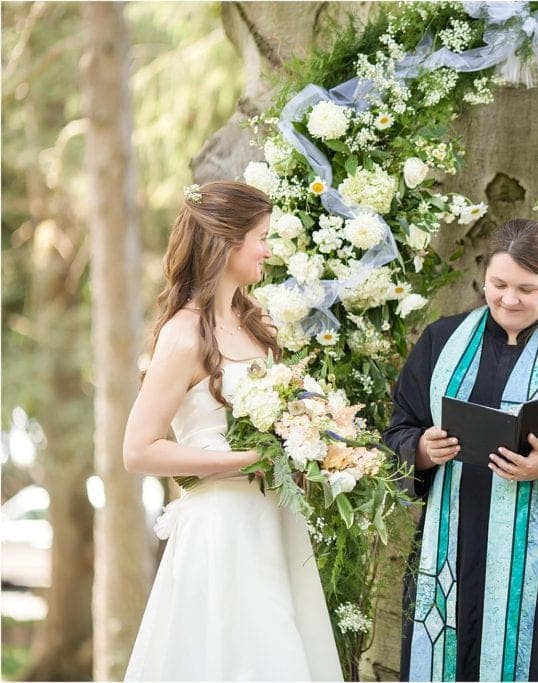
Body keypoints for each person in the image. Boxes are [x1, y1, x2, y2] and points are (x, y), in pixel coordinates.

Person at [384, 219, 538, 681]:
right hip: (450, 550)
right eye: (498, 284)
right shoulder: (442, 340)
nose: (509, 299)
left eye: (527, 288)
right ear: (484, 278)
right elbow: (399, 428)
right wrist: (421, 448)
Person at [122, 181, 342, 681]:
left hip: (272, 520)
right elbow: (138, 450)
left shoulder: (251, 322)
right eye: (261, 236)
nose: (269, 248)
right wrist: (247, 461)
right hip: (222, 532)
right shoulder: (183, 334)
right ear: (227, 242)